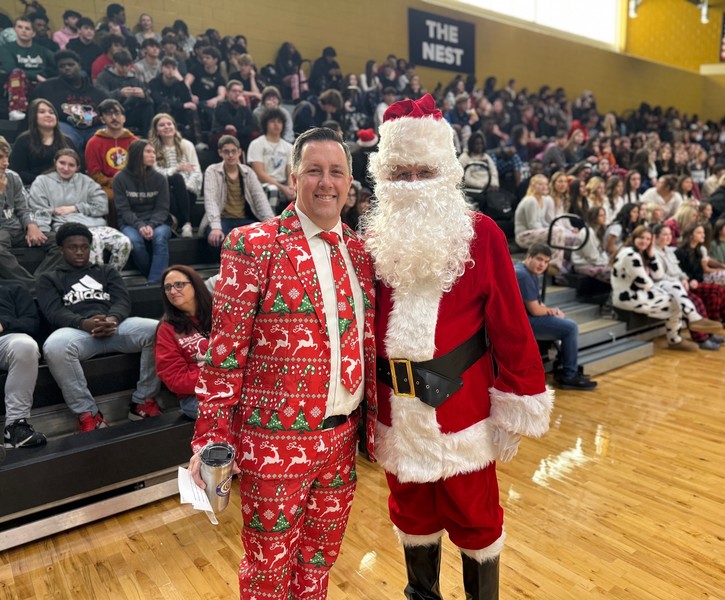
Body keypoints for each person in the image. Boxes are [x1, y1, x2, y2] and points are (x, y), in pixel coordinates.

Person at [363, 94, 551, 599]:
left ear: (446, 173)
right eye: (400, 173)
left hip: (462, 410)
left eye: (424, 171)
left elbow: (511, 325)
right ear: (384, 177)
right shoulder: (372, 241)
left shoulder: (482, 235)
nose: (412, 183)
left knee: (476, 519)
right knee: (411, 515)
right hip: (396, 412)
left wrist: (516, 400)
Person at [187, 127, 376, 598]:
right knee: (267, 572)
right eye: (314, 171)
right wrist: (211, 439)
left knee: (318, 564)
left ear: (350, 182)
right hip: (275, 441)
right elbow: (223, 354)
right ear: (293, 178)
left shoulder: (361, 252)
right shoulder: (253, 244)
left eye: (337, 172)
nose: (326, 182)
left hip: (342, 440)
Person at [37, 222, 160, 431]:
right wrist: (83, 323)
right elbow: (54, 312)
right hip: (77, 333)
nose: (79, 251)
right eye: (73, 247)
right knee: (54, 346)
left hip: (114, 327)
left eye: (84, 247)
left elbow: (122, 300)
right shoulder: (49, 278)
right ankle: (89, 414)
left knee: (158, 329)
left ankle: (143, 401)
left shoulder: (106, 270)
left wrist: (112, 319)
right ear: (61, 249)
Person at [28, 148, 131, 271]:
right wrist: (43, 230)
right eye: (62, 163)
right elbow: (39, 209)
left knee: (124, 242)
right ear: (55, 162)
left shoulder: (86, 181)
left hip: (96, 225)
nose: (66, 168)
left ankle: (111, 276)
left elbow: (102, 206)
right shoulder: (42, 181)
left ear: (77, 167)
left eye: (71, 165)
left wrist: (75, 208)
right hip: (68, 226)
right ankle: (93, 279)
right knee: (94, 242)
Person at [612, 226, 712, 352]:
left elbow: (658, 275)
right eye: (641, 238)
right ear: (633, 238)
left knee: (674, 294)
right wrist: (662, 290)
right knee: (675, 299)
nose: (644, 241)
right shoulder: (629, 254)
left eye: (648, 239)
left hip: (641, 293)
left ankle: (688, 324)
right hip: (629, 297)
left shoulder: (642, 253)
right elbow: (644, 283)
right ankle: (679, 334)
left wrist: (652, 255)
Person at [517, 243, 597, 389]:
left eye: (546, 261)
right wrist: (552, 311)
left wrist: (552, 312)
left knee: (564, 322)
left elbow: (537, 305)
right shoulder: (523, 276)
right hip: (521, 322)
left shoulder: (527, 271)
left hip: (525, 318)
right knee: (570, 327)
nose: (542, 265)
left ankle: (564, 367)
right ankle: (569, 375)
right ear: (528, 257)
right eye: (539, 259)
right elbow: (535, 310)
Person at [0, 136, 63, 289]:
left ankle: (39, 281)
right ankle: (33, 287)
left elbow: (24, 208)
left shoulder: (13, 176)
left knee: (61, 241)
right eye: (0, 157)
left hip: (17, 229)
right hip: (1, 232)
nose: (6, 163)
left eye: (7, 157)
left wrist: (31, 225)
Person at [155, 265, 211, 420]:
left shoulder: (220, 312)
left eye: (179, 284)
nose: (173, 291)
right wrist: (217, 376)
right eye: (168, 288)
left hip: (234, 386)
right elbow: (174, 377)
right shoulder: (166, 329)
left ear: (195, 285)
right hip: (195, 397)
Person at [113, 139, 171, 284]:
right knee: (134, 242)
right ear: (137, 154)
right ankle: (152, 275)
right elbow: (123, 210)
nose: (153, 155)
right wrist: (139, 226)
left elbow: (162, 208)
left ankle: (154, 283)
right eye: (148, 152)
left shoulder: (160, 178)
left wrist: (151, 225)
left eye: (154, 152)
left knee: (159, 238)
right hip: (130, 223)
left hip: (157, 222)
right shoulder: (120, 178)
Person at [202, 135, 273, 247]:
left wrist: (271, 224)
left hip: (244, 219)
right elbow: (211, 200)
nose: (230, 155)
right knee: (219, 239)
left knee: (262, 238)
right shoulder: (212, 171)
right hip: (222, 220)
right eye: (226, 152)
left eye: (233, 151)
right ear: (220, 153)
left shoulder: (248, 172)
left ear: (239, 152)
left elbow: (259, 198)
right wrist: (215, 226)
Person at [28, 50, 107, 150]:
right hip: (66, 127)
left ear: (79, 66)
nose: (67, 68)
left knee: (107, 133)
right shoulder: (46, 88)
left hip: (93, 129)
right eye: (62, 66)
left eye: (71, 65)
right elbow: (32, 110)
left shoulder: (97, 92)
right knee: (63, 134)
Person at [1, 281, 46, 448]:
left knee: (26, 346)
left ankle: (15, 428)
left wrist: (4, 323)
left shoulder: (14, 289)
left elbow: (31, 323)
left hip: (5, 340)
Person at [148, 112, 201, 238]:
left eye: (169, 124)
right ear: (156, 130)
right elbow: (155, 173)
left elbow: (196, 171)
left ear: (174, 126)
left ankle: (177, 223)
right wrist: (176, 169)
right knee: (173, 180)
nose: (166, 127)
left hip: (188, 191)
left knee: (178, 180)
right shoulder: (151, 148)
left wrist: (184, 187)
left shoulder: (186, 145)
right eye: (162, 125)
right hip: (164, 190)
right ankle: (186, 223)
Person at [84, 98, 138, 214]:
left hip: (132, 183)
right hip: (106, 186)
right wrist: (116, 183)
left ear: (124, 118)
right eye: (108, 114)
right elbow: (94, 174)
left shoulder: (135, 142)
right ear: (102, 119)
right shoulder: (93, 142)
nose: (114, 117)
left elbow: (140, 169)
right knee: (111, 198)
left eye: (117, 113)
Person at [0, 17, 56, 120]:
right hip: (15, 85)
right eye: (20, 27)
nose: (23, 31)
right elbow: (10, 68)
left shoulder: (41, 50)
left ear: (33, 33)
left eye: (27, 28)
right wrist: (36, 76)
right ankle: (16, 109)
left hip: (40, 85)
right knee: (16, 72)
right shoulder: (6, 48)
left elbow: (58, 60)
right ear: (15, 30)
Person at [9, 97, 74, 185]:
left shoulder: (67, 141)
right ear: (33, 116)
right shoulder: (23, 140)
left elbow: (77, 168)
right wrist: (44, 181)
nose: (48, 115)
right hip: (31, 187)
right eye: (42, 112)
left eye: (51, 112)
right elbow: (17, 171)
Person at [95, 49, 154, 135]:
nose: (125, 68)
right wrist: (120, 94)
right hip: (113, 112)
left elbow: (149, 99)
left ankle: (147, 135)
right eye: (122, 65)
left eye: (128, 65)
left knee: (148, 107)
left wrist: (143, 95)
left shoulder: (133, 78)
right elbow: (100, 97)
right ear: (115, 63)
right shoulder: (103, 77)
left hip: (131, 112)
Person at [246, 107, 295, 209]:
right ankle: (270, 218)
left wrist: (291, 186)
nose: (276, 124)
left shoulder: (289, 147)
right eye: (272, 121)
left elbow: (291, 172)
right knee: (273, 190)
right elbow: (259, 174)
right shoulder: (257, 144)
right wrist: (282, 188)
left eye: (279, 122)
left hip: (283, 184)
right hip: (262, 184)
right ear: (266, 124)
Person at [210, 79, 259, 150]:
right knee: (231, 133)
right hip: (222, 136)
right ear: (227, 93)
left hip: (240, 135)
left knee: (254, 134)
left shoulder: (244, 107)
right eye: (234, 91)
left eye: (240, 92)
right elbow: (234, 124)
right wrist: (242, 107)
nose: (237, 94)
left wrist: (240, 131)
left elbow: (253, 126)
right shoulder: (221, 107)